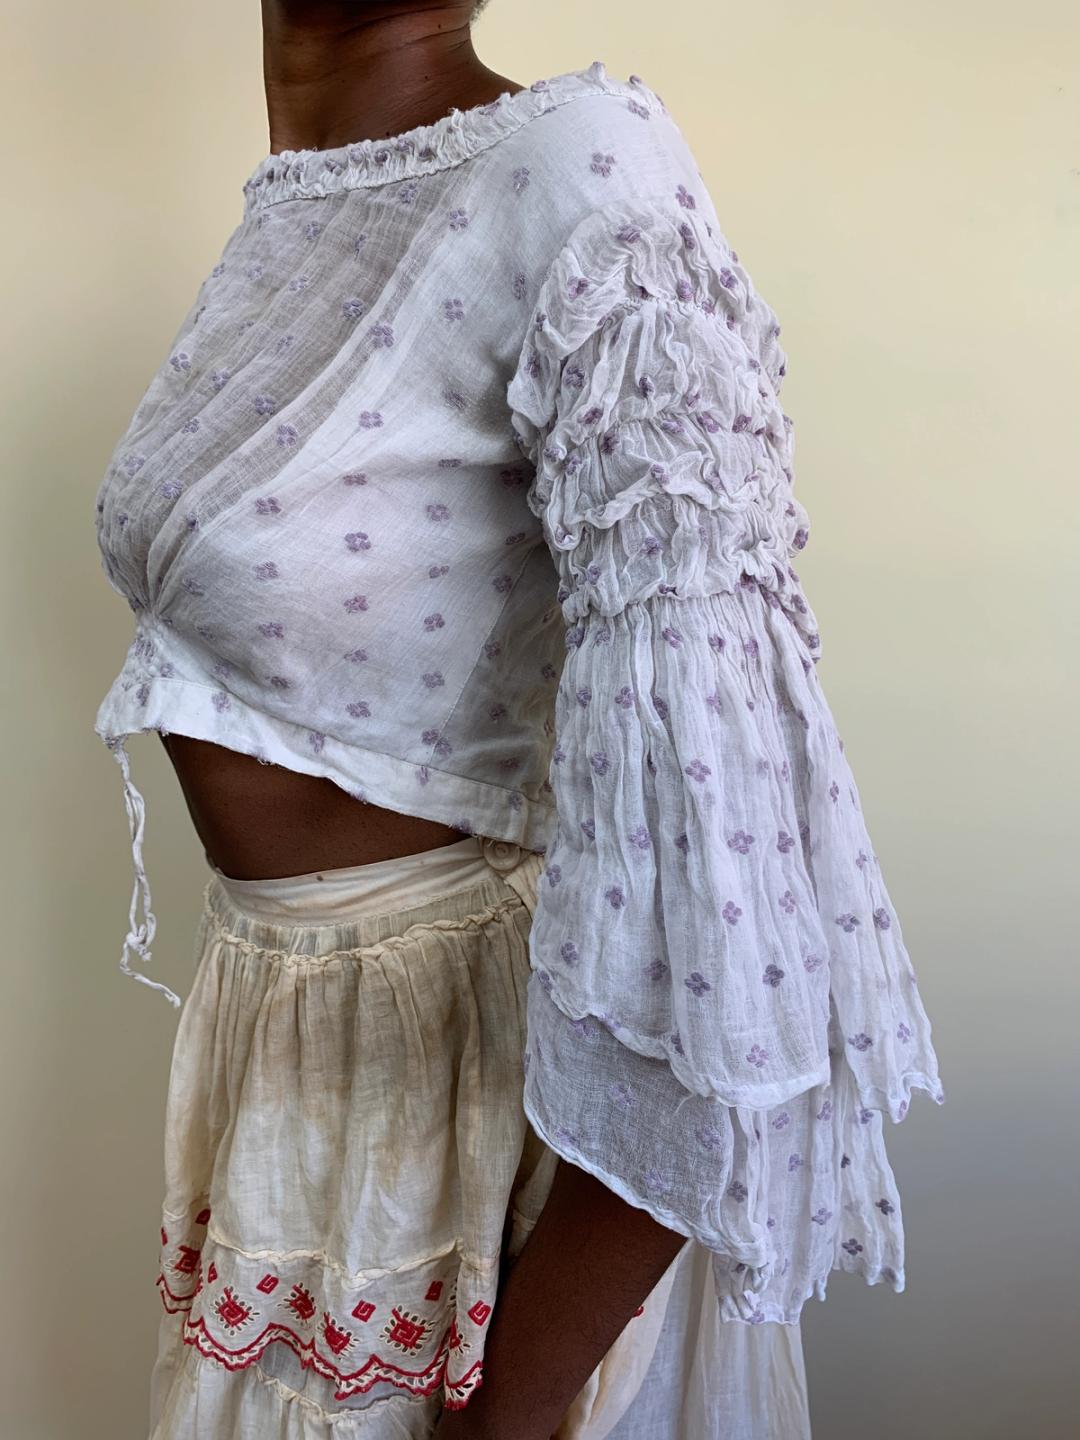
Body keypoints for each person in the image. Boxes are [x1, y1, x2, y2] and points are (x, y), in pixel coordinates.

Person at [92, 3, 945, 1437]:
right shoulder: (303, 198)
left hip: (476, 1149)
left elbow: (733, 891)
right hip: (301, 1089)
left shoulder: (580, 167)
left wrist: (514, 1413)